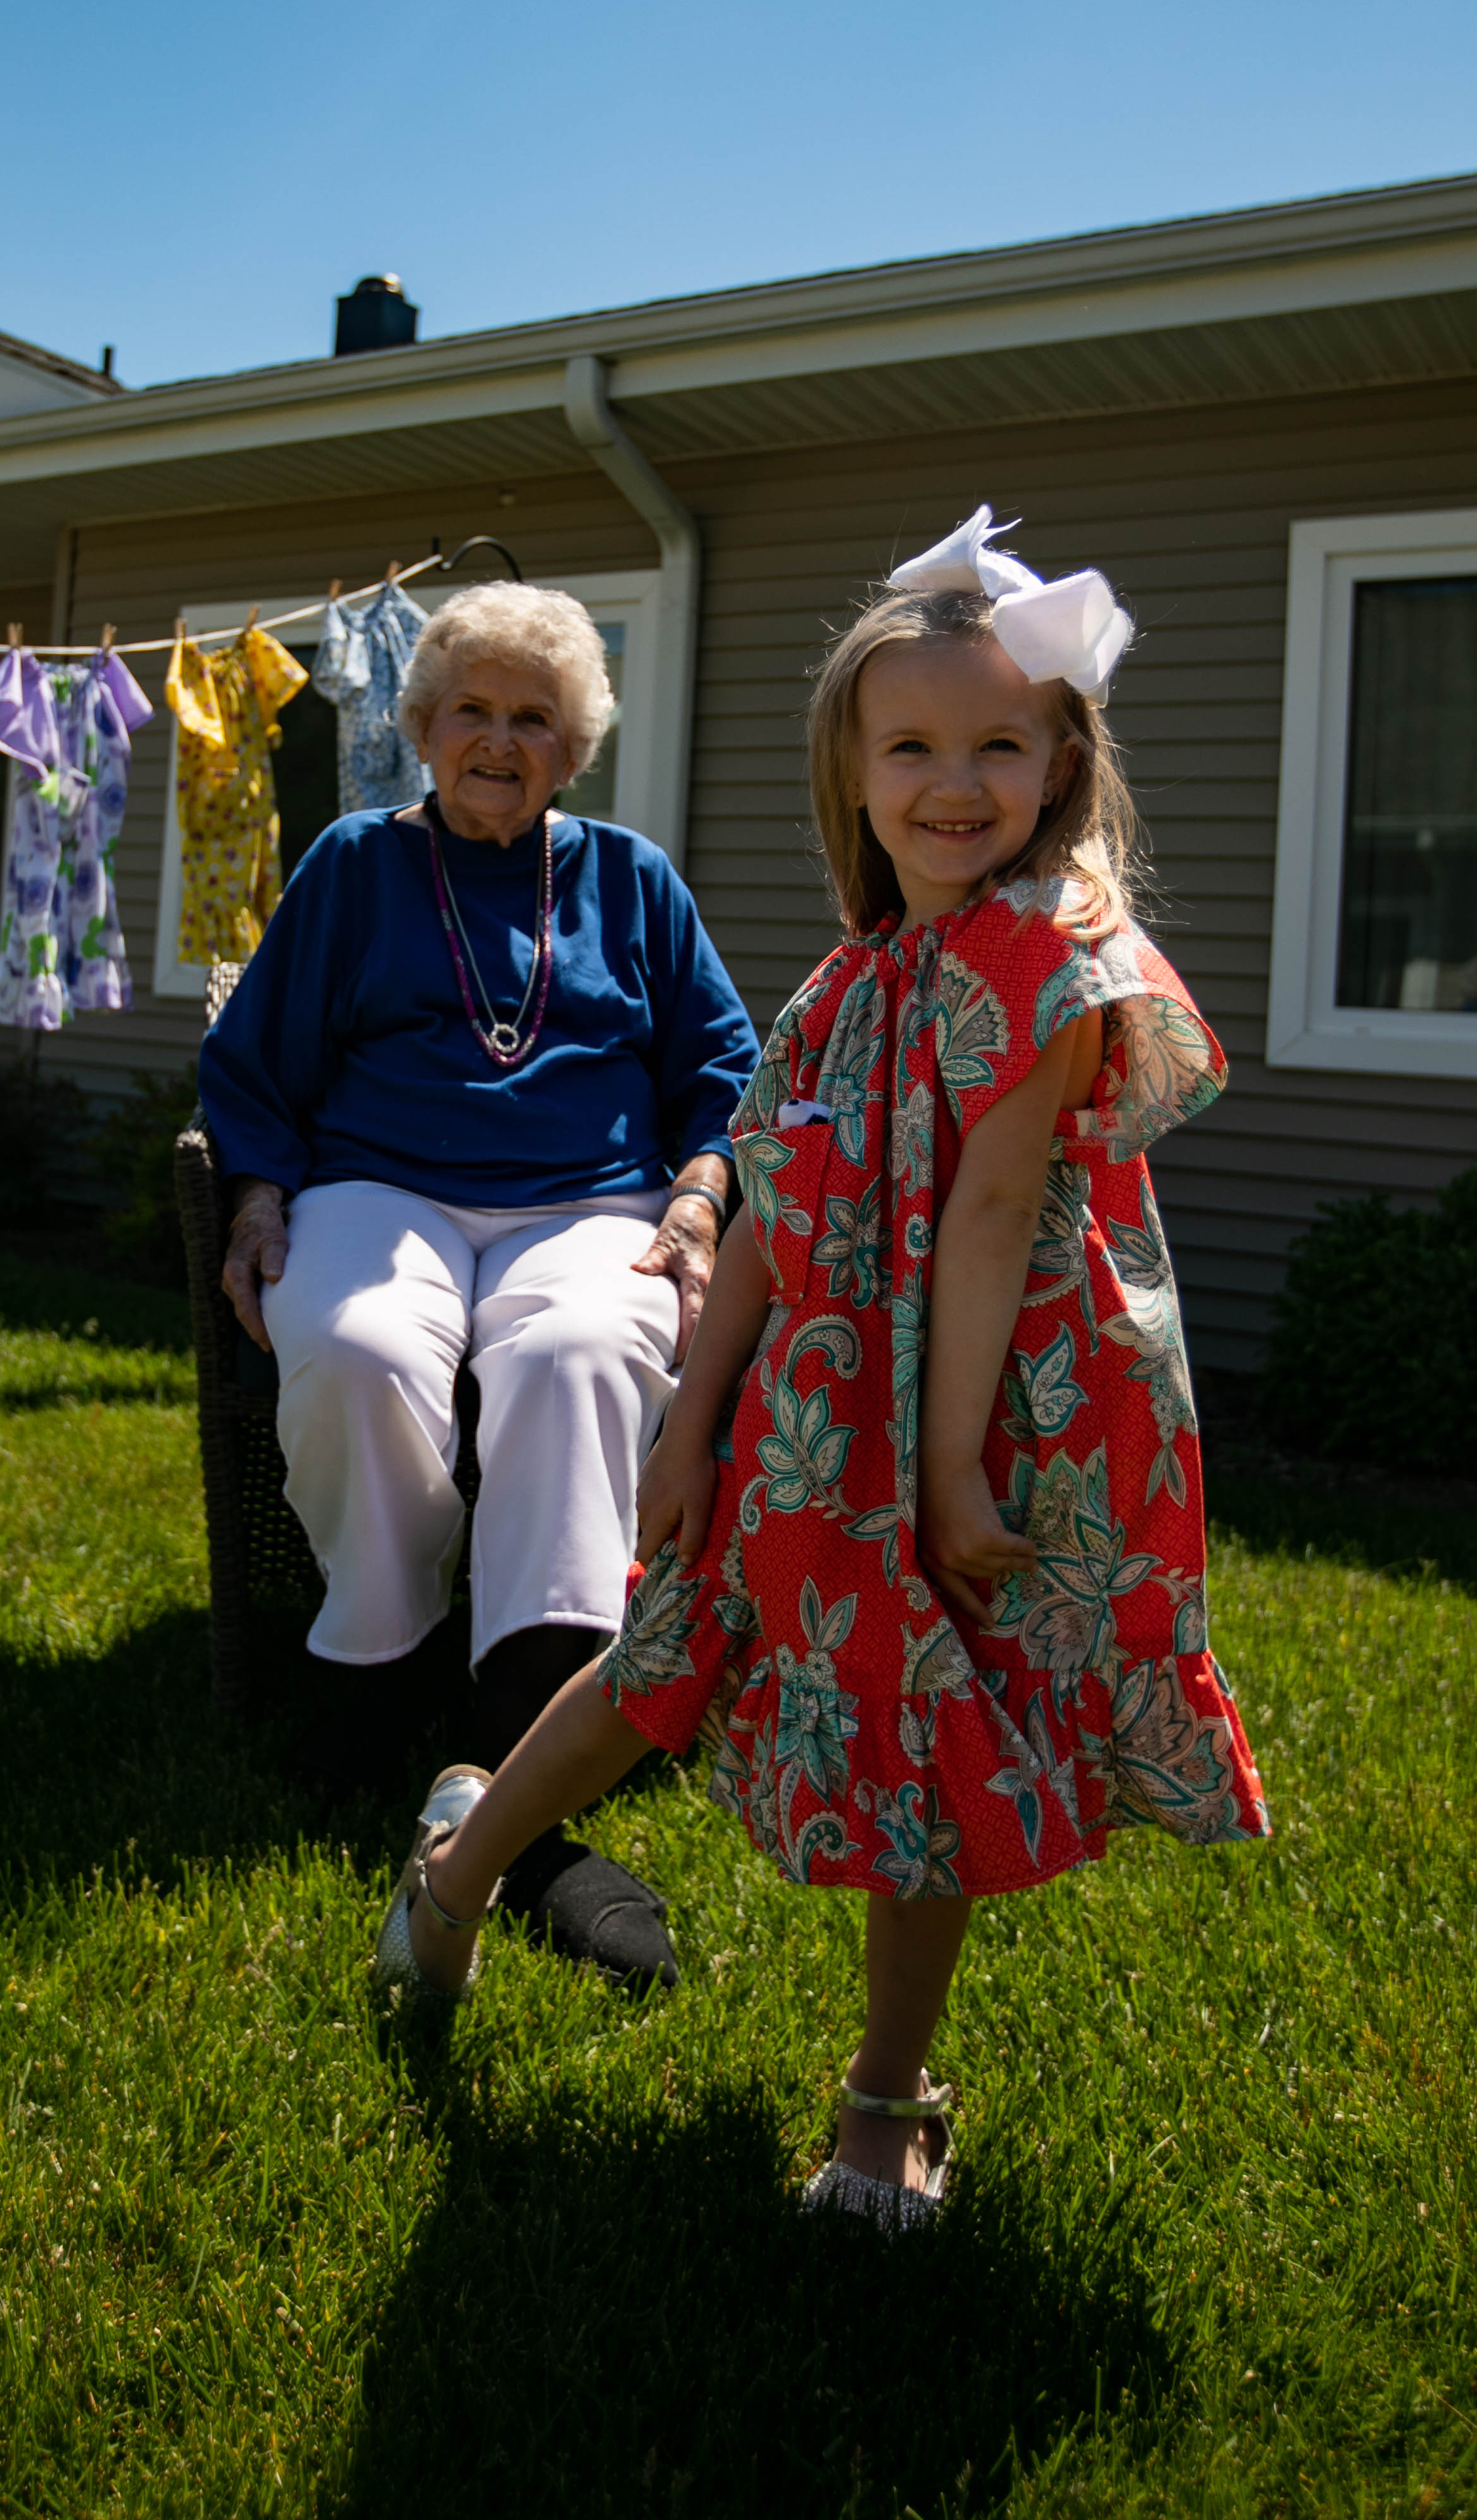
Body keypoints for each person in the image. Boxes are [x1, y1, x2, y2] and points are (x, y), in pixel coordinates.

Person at [371, 510, 1271, 2230]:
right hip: (813, 1413)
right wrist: (692, 1419)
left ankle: (883, 2096)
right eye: (911, 745)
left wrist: (947, 1472)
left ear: (1064, 759)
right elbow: (776, 1218)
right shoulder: (848, 984)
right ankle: (461, 1871)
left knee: (939, 1730)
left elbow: (999, 1212)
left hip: (997, 1413)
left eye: (998, 744)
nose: (954, 783)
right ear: (851, 773)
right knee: (670, 1650)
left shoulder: (1057, 956)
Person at [199, 580, 760, 1981]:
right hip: (380, 1183)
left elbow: (729, 1073)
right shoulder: (353, 863)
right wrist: (260, 1196)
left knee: (582, 1352)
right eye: (473, 713)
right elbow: (257, 1059)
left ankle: (514, 1747)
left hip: (592, 1198)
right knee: (355, 1342)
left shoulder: (632, 877)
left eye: (534, 719)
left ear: (574, 749)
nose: (500, 742)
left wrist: (698, 1201)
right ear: (422, 729)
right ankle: (394, 1690)